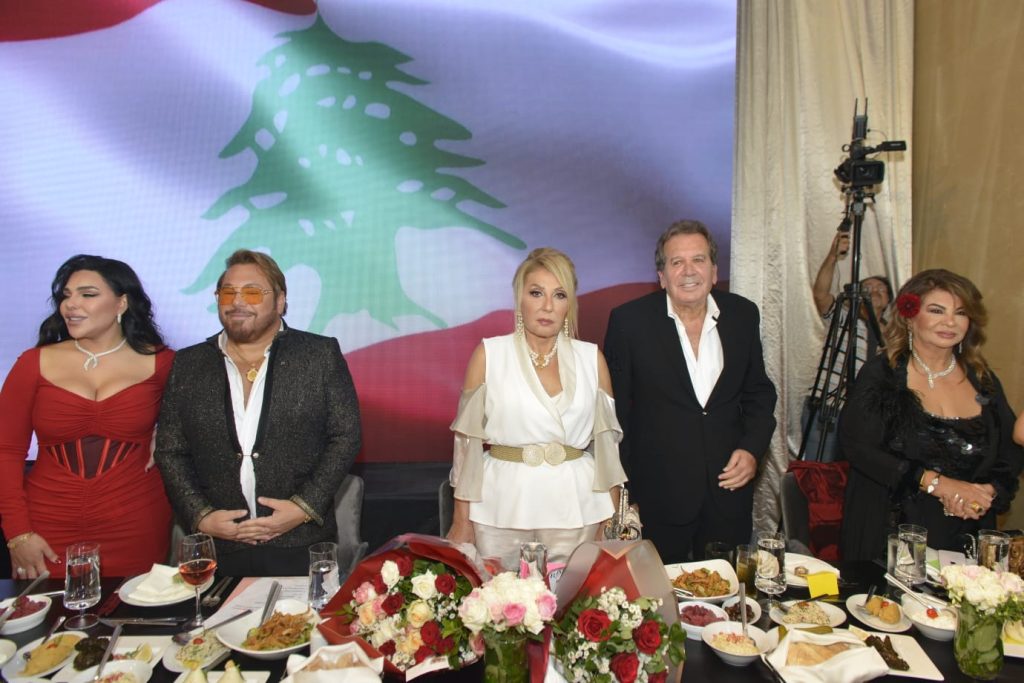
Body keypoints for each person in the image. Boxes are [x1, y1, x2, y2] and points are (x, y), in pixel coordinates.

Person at [155, 249, 361, 576]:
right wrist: (201, 516)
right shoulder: (189, 364)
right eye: (228, 293)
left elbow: (345, 436)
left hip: (299, 541)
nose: (237, 302)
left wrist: (303, 508)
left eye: (252, 292)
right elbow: (170, 450)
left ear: (280, 301)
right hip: (218, 545)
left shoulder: (319, 355)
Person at [604, 220, 777, 563]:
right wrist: (624, 495)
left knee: (726, 590)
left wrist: (751, 449)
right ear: (661, 276)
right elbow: (615, 414)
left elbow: (759, 394)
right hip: (657, 497)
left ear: (714, 271)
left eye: (698, 260)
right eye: (676, 262)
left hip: (728, 495)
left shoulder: (743, 315)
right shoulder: (629, 323)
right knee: (655, 592)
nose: (688, 271)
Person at [445, 247, 627, 569]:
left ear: (570, 304)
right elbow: (466, 447)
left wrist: (611, 521)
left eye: (559, 295)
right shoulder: (489, 355)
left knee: (576, 596)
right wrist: (462, 520)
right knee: (499, 596)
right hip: (501, 507)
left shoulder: (592, 359)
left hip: (577, 508)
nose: (547, 306)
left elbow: (607, 451)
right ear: (520, 299)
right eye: (536, 293)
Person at [0, 255, 173, 578]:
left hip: (136, 522)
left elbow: (205, 423)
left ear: (122, 303)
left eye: (88, 294)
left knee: (132, 608)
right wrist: (17, 533)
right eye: (66, 295)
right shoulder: (32, 363)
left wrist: (166, 432)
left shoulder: (163, 363)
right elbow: (6, 452)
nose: (71, 305)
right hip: (45, 527)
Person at [840, 269, 1024, 560]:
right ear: (909, 317)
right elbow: (858, 447)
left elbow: (1011, 450)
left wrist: (985, 492)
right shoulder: (882, 375)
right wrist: (939, 485)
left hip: (967, 531)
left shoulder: (983, 379)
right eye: (937, 310)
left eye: (960, 313)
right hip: (892, 531)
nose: (950, 322)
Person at [803, 231, 893, 461]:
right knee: (820, 469)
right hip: (828, 405)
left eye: (881, 289)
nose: (874, 291)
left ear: (888, 302)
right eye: (867, 287)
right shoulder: (843, 318)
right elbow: (820, 295)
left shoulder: (892, 337)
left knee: (853, 471)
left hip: (864, 416)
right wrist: (833, 256)